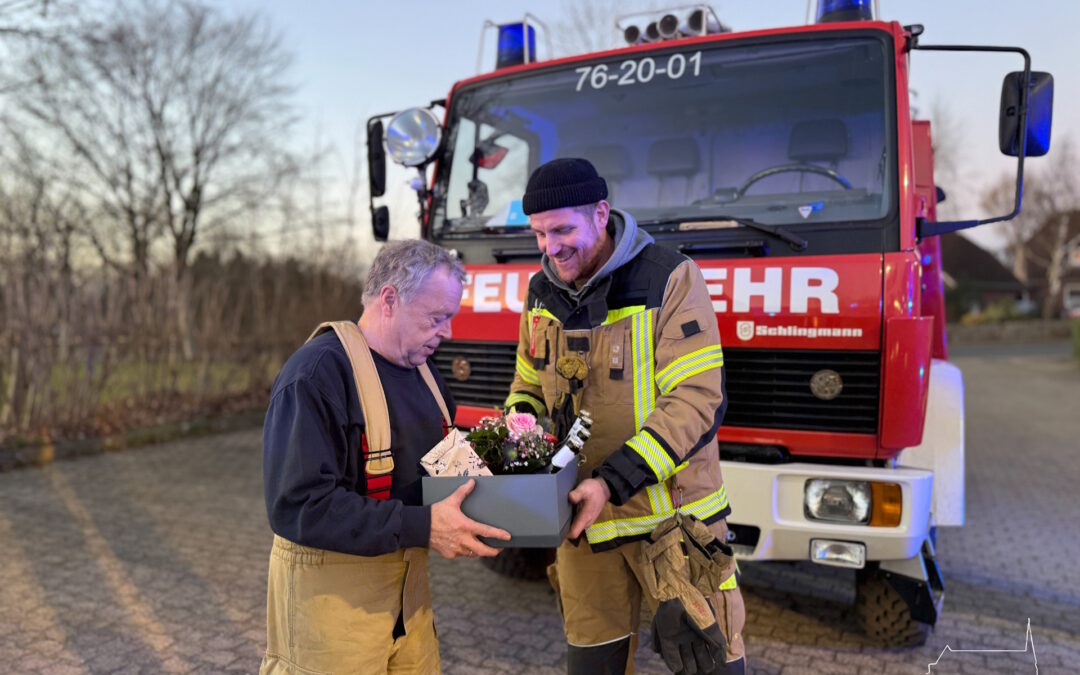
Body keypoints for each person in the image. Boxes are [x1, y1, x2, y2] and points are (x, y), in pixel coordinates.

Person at [505, 158, 747, 674]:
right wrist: (517, 446)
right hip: (584, 531)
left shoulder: (671, 278)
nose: (551, 247)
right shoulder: (539, 292)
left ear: (601, 213)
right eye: (540, 234)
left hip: (675, 530)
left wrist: (610, 482)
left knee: (711, 665)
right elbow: (527, 383)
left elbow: (696, 398)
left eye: (564, 229)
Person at [261, 239, 511, 675]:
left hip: (408, 602)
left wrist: (516, 497)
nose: (448, 332)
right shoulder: (317, 376)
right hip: (332, 608)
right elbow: (299, 506)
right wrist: (427, 525)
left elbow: (445, 464)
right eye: (437, 318)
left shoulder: (426, 375)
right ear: (390, 299)